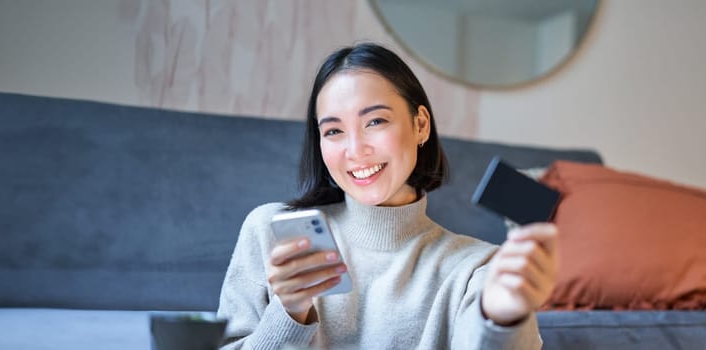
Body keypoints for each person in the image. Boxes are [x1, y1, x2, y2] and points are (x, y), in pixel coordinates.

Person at [216, 42, 558, 349]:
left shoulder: (474, 268)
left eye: (375, 122)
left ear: (420, 125)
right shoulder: (272, 232)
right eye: (333, 130)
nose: (355, 150)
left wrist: (501, 319)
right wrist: (289, 313)